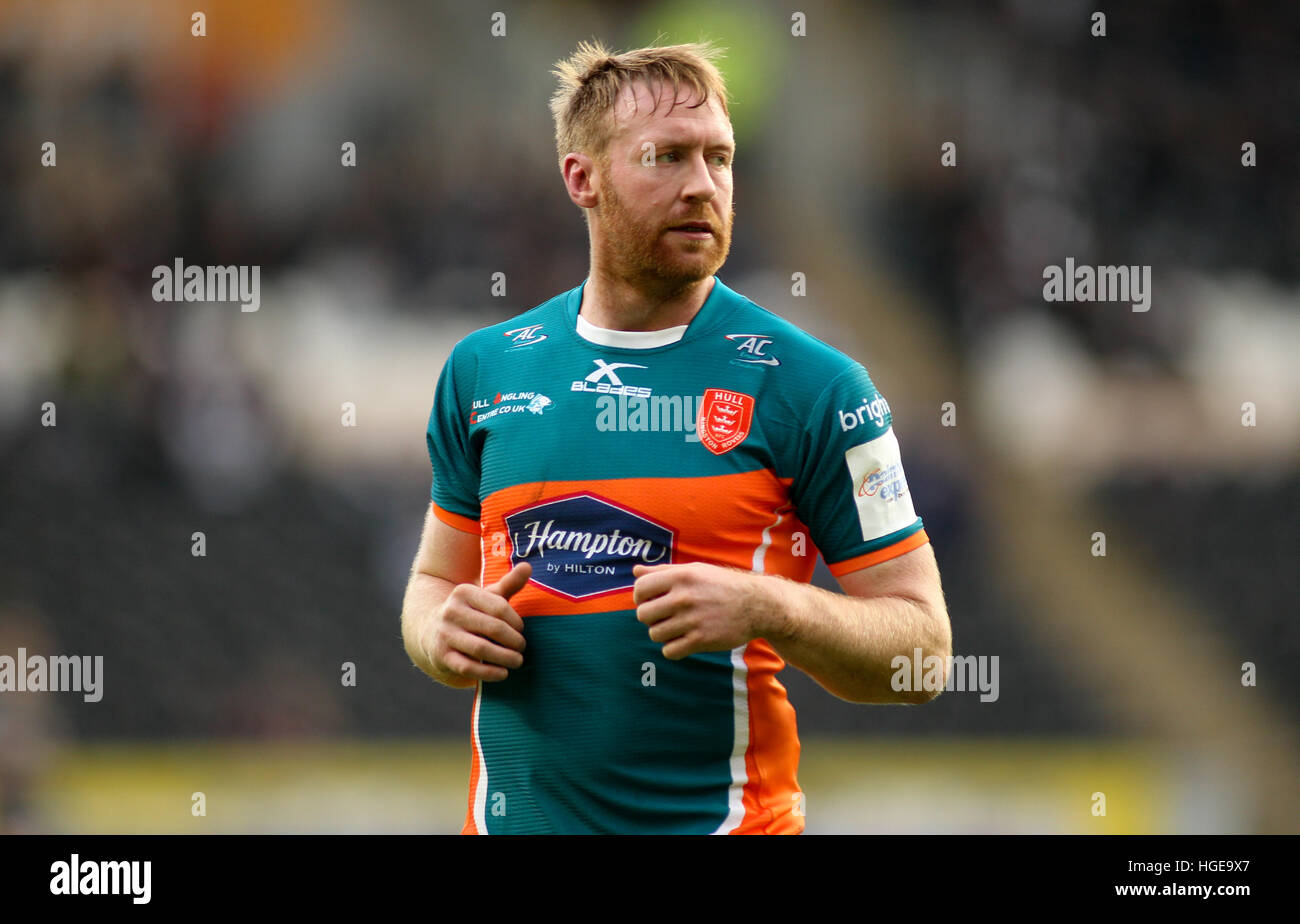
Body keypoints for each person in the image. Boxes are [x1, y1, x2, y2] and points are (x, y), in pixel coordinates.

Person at [401, 39, 951, 834]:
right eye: (666, 156)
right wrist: (436, 630)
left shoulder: (815, 388)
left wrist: (771, 607)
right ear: (581, 179)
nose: (702, 185)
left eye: (720, 158)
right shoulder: (482, 370)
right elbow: (432, 584)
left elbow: (924, 656)